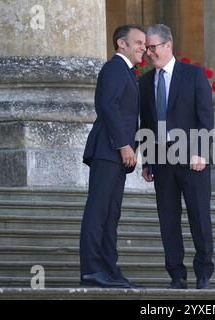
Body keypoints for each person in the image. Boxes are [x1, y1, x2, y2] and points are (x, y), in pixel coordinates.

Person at [139, 24, 215, 289]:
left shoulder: (193, 75)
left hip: (192, 158)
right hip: (161, 160)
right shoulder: (145, 82)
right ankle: (176, 274)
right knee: (168, 219)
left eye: (152, 47)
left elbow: (206, 119)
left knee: (199, 216)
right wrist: (147, 159)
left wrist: (201, 152)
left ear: (168, 45)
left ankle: (203, 273)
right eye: (146, 48)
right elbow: (146, 124)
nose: (148, 53)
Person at [79, 24, 146, 288]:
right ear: (121, 43)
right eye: (138, 42)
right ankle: (91, 270)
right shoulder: (115, 68)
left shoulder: (128, 72)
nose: (144, 47)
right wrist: (123, 144)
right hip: (108, 151)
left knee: (110, 214)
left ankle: (109, 270)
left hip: (117, 155)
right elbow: (107, 106)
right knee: (98, 212)